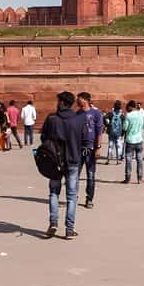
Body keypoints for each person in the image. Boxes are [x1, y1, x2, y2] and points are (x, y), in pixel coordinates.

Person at [42, 91, 89, 239]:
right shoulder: (79, 119)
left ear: (61, 102)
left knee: (54, 192)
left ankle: (53, 223)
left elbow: (44, 138)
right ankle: (69, 229)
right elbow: (85, 139)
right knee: (71, 196)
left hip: (55, 161)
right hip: (73, 160)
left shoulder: (52, 118)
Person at [76, 92, 103, 208]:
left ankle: (89, 199)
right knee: (75, 174)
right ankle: (73, 197)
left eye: (79, 99)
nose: (77, 101)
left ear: (85, 100)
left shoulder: (96, 114)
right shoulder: (77, 114)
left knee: (90, 174)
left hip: (91, 148)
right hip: (79, 148)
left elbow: (99, 132)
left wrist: (98, 148)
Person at [122, 100, 144, 184]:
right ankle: (140, 178)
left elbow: (125, 128)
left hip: (130, 140)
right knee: (139, 159)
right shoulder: (141, 114)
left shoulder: (128, 115)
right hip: (139, 139)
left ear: (130, 107)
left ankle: (127, 178)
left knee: (129, 159)